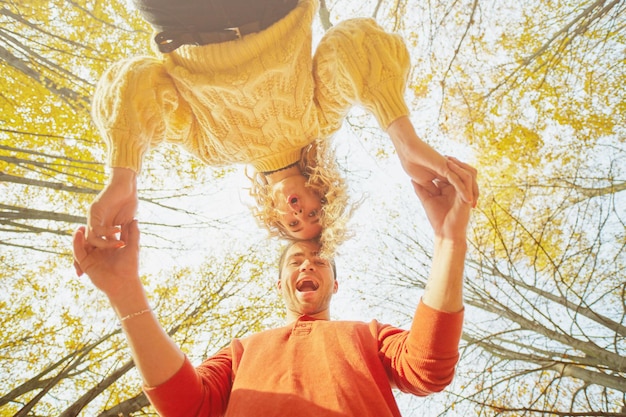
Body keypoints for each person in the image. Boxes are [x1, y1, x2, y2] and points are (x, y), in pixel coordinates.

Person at [73, 156, 477, 416]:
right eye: (296, 260)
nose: (308, 264)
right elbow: (186, 405)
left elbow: (427, 368)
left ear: (335, 284)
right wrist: (125, 290)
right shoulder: (241, 352)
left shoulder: (368, 337)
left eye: (320, 261)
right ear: (279, 282)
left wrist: (448, 241)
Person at [87, 0, 478, 255]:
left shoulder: (211, 151)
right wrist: (406, 141)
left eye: (293, 223)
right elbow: (353, 43)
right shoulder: (320, 120)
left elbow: (138, 81)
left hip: (182, 17)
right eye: (313, 213)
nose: (299, 213)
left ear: (273, 213)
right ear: (320, 191)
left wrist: (124, 177)